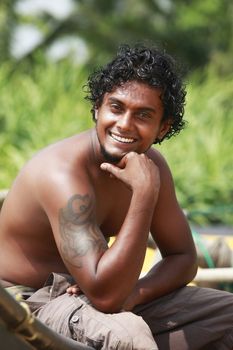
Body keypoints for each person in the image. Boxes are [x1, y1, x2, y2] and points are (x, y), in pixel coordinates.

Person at [0, 44, 233, 350]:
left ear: (163, 128)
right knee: (125, 333)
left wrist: (137, 293)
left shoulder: (152, 168)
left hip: (97, 296)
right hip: (28, 304)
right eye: (116, 107)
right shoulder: (62, 173)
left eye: (143, 115)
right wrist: (144, 197)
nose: (124, 124)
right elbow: (106, 296)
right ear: (98, 107)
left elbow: (183, 258)